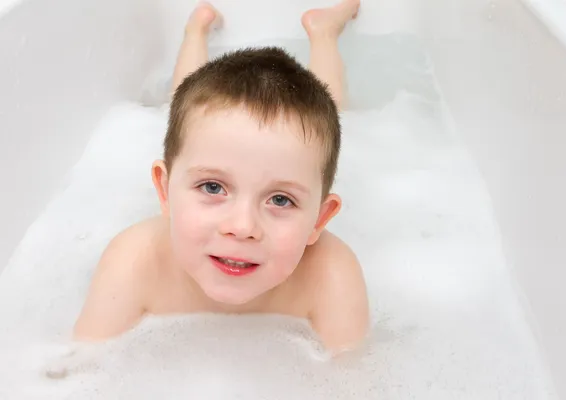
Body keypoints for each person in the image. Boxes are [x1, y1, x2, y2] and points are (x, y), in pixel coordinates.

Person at [73, 0, 369, 354]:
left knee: (332, 111)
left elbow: (351, 382)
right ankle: (195, 31)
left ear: (320, 218)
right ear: (165, 191)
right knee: (190, 104)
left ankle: (323, 34)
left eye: (280, 199)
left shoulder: (331, 276)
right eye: (212, 187)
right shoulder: (134, 262)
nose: (242, 227)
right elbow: (80, 369)